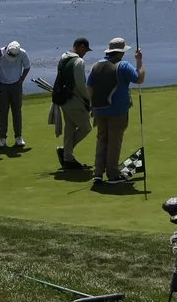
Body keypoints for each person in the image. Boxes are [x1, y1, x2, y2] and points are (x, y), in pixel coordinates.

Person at [86, 35, 144, 188]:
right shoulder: (123, 65)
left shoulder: (96, 66)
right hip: (117, 110)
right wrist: (139, 61)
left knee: (101, 140)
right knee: (114, 142)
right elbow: (139, 79)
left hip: (99, 109)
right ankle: (112, 175)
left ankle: (98, 174)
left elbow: (89, 87)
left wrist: (93, 106)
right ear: (121, 52)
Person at [50, 38, 95, 173]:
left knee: (69, 128)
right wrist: (89, 99)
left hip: (64, 100)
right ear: (80, 47)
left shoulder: (64, 57)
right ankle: (65, 152)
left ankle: (68, 159)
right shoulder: (78, 61)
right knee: (86, 127)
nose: (85, 53)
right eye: (85, 50)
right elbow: (81, 84)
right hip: (75, 101)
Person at [0, 40, 32, 154]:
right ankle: (2, 138)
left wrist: (21, 79)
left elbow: (27, 66)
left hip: (16, 85)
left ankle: (18, 137)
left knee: (17, 111)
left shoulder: (22, 53)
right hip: (2, 85)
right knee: (3, 112)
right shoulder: (0, 53)